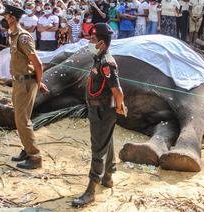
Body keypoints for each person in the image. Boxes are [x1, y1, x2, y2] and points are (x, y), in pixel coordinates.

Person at [71, 23, 125, 208]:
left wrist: (119, 107)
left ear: (101, 43)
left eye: (92, 40)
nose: (89, 42)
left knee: (98, 149)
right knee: (106, 141)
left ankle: (90, 191)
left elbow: (117, 91)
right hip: (98, 110)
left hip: (103, 111)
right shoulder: (98, 58)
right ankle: (108, 177)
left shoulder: (106, 63)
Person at [0, 4, 49, 169]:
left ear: (12, 17)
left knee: (22, 120)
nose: (3, 19)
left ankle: (35, 157)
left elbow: (38, 64)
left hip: (26, 82)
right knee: (20, 119)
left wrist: (38, 82)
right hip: (19, 82)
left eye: (5, 16)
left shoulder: (23, 37)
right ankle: (27, 150)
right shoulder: (13, 36)